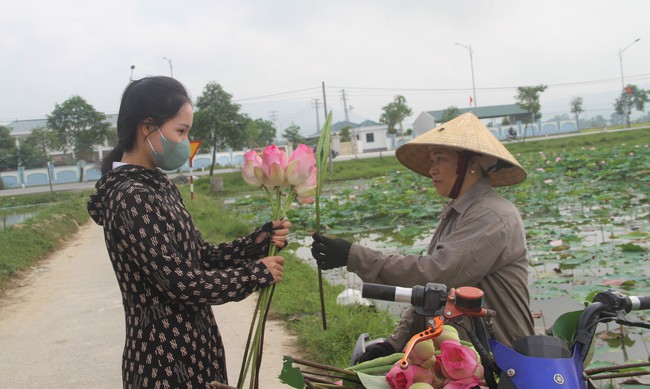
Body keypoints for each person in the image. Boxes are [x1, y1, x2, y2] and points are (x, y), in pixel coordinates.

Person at [88, 76, 290, 388]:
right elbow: (179, 282)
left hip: (196, 348)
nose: (185, 141)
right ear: (147, 128)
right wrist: (253, 275)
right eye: (181, 131)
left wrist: (256, 243)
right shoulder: (130, 196)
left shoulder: (158, 185)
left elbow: (200, 257)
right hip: (163, 362)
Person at [311, 112, 534, 362]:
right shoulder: (457, 213)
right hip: (460, 349)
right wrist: (394, 343)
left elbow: (436, 274)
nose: (431, 170)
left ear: (471, 164)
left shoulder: (491, 215)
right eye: (430, 160)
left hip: (498, 357)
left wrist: (352, 255)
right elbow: (430, 294)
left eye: (439, 159)